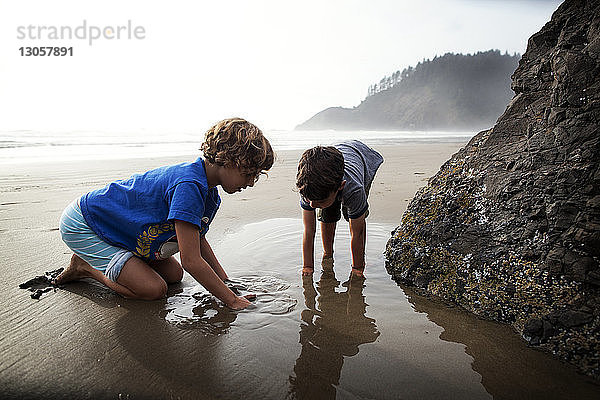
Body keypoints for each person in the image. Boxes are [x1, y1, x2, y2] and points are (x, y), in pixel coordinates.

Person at [55, 118, 274, 310]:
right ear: (226, 160)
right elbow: (191, 261)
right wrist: (232, 301)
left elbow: (197, 239)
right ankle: (85, 267)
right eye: (248, 174)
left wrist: (225, 282)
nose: (251, 182)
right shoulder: (189, 186)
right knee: (153, 289)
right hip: (86, 223)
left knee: (173, 275)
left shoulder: (209, 194)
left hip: (120, 227)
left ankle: (122, 262)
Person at [296, 140, 383, 277]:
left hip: (361, 157)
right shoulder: (308, 186)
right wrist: (307, 266)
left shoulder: (354, 189)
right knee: (327, 212)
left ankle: (360, 260)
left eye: (318, 200)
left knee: (354, 217)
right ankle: (328, 251)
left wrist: (357, 268)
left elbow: (357, 233)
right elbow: (309, 230)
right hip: (329, 164)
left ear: (340, 186)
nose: (311, 205)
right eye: (309, 200)